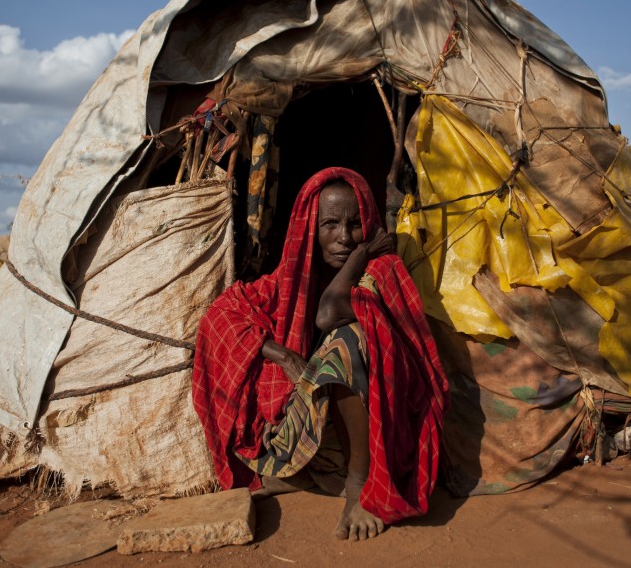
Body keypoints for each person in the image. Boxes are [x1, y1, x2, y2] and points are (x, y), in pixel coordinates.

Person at [192, 167, 448, 541]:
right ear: (310, 228)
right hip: (310, 432)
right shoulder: (293, 280)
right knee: (329, 350)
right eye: (329, 224)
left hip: (384, 427)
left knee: (343, 342)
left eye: (355, 224)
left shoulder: (379, 270)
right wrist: (283, 356)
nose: (343, 237)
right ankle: (302, 470)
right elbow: (221, 315)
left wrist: (361, 256)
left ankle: (360, 485)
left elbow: (329, 315)